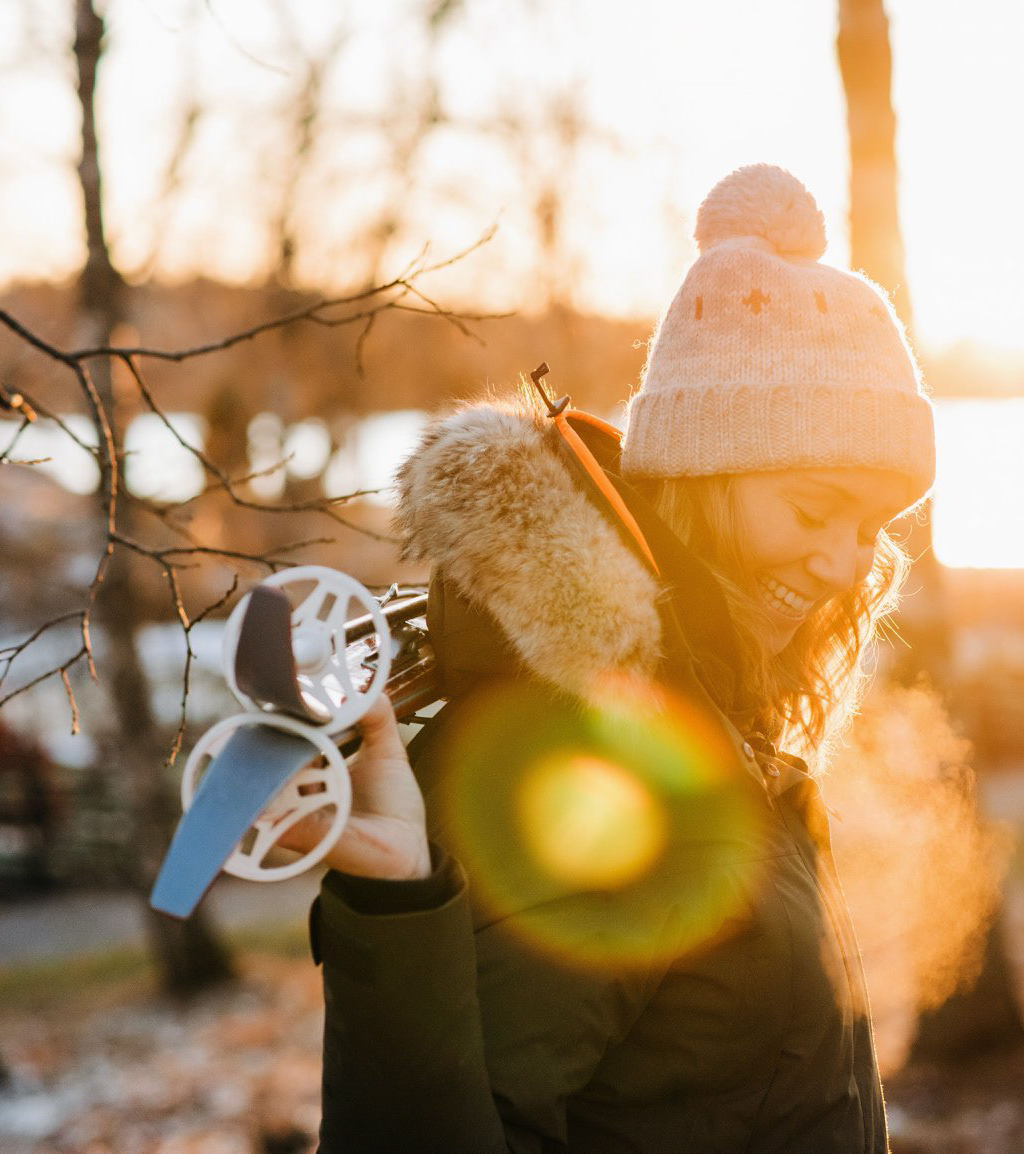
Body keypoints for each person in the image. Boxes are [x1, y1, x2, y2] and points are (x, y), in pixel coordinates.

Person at [300, 163, 935, 1152]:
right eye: (815, 509)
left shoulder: (714, 714)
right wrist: (394, 911)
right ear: (700, 476)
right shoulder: (592, 756)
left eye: (871, 526)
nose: (844, 564)